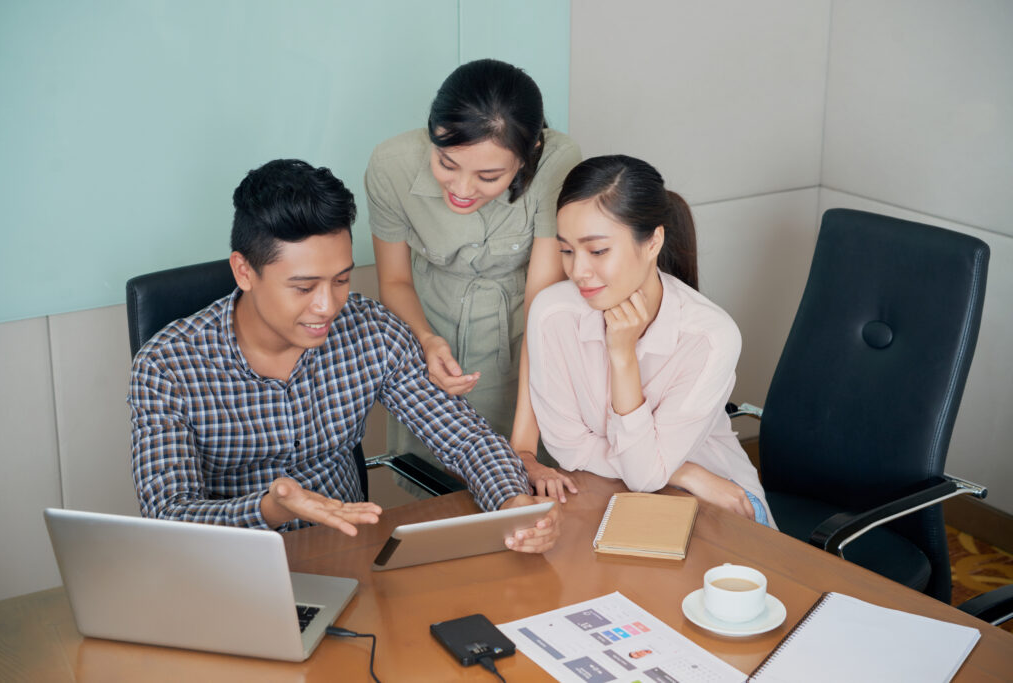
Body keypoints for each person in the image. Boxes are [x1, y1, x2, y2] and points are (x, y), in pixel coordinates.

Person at [129, 159, 560, 551]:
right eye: (303, 287)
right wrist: (270, 510)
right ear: (245, 271)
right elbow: (169, 513)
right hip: (229, 571)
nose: (328, 306)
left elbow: (463, 438)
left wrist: (514, 504)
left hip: (349, 558)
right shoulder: (167, 366)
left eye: (340, 280)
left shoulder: (369, 329)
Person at [365, 59, 581, 493]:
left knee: (532, 497)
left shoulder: (558, 162)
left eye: (488, 176)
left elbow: (544, 306)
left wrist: (522, 449)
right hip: (428, 336)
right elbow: (395, 281)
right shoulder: (390, 167)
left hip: (526, 346)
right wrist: (425, 341)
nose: (462, 190)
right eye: (447, 163)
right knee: (434, 495)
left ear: (530, 153)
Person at [525, 155, 775, 527]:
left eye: (597, 251)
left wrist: (622, 355)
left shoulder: (710, 337)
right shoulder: (552, 314)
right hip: (617, 492)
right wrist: (683, 471)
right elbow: (567, 446)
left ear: (653, 241)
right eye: (566, 250)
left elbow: (643, 476)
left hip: (719, 501)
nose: (578, 271)